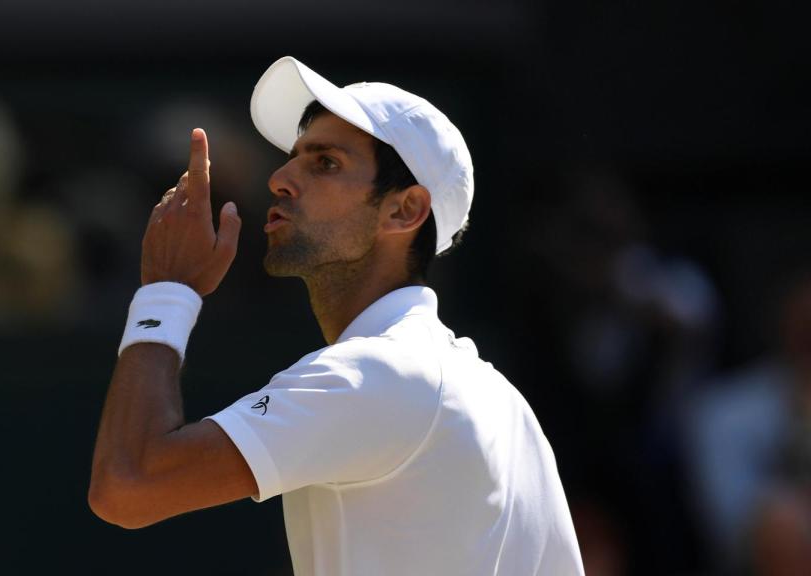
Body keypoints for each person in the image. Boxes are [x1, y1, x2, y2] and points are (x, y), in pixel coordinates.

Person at [89, 56, 584, 575]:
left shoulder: (379, 373)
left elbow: (127, 484)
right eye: (294, 157)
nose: (279, 177)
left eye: (324, 163)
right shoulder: (505, 403)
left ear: (404, 210)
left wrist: (167, 291)